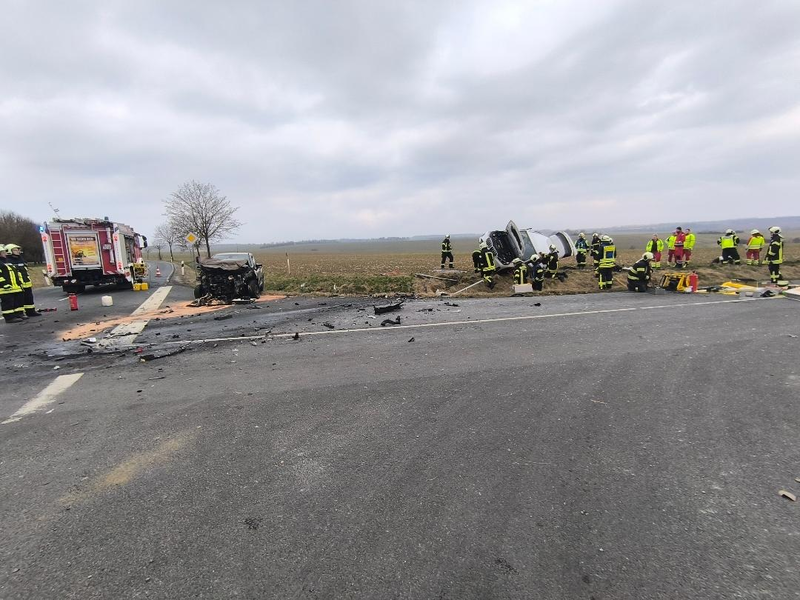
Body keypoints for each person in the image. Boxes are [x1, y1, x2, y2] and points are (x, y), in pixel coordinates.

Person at [4, 244, 41, 317]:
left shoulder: (21, 259)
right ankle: (20, 313)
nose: (18, 251)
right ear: (9, 251)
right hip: (18, 284)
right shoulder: (8, 261)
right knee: (19, 300)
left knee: (29, 298)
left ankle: (31, 311)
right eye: (15, 250)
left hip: (26, 282)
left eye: (18, 250)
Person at [0, 245, 25, 323]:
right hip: (5, 288)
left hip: (13, 287)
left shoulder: (6, 262)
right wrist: (4, 284)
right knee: (7, 304)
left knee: (15, 302)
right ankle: (9, 318)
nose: (5, 253)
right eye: (3, 252)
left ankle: (17, 314)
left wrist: (19, 283)